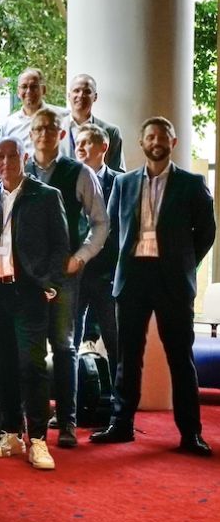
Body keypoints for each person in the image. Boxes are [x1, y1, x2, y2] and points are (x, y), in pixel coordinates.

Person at [92, 117, 216, 455]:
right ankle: (121, 426)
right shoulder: (124, 183)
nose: (156, 141)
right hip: (132, 278)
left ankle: (190, 433)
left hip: (173, 281)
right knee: (127, 358)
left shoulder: (192, 184)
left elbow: (206, 233)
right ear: (142, 142)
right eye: (150, 136)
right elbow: (115, 228)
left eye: (163, 136)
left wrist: (184, 263)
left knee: (180, 357)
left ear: (173, 143)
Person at [0, 136, 68, 472]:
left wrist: (50, 285)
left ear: (24, 157)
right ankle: (11, 433)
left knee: (32, 365)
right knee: (4, 367)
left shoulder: (46, 196)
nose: (7, 162)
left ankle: (38, 439)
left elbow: (60, 245)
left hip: (29, 293)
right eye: (1, 157)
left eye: (13, 155)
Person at [24, 106, 109, 447]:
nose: (44, 133)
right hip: (26, 277)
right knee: (27, 348)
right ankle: (30, 420)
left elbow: (100, 222)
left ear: (62, 134)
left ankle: (68, 423)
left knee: (63, 346)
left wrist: (82, 257)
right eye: (38, 128)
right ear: (31, 135)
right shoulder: (21, 171)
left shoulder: (80, 172)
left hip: (63, 274)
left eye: (51, 128)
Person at [72, 124, 118, 383]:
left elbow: (123, 230)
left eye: (87, 142)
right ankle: (71, 409)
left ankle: (117, 413)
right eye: (78, 142)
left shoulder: (120, 182)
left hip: (107, 277)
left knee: (114, 344)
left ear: (104, 147)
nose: (80, 147)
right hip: (75, 273)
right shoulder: (68, 179)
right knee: (68, 344)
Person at [0, 67, 69, 150]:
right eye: (24, 87)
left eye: (34, 87)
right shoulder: (8, 124)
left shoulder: (62, 116)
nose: (28, 91)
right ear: (18, 92)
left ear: (44, 90)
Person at [66, 73, 124, 172]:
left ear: (95, 97)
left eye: (87, 91)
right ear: (69, 95)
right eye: (76, 91)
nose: (81, 95)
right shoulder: (55, 130)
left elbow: (117, 172)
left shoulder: (111, 132)